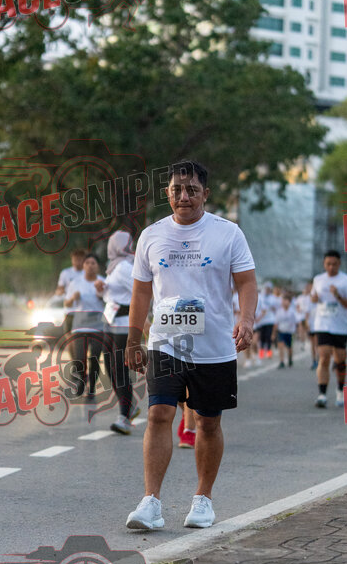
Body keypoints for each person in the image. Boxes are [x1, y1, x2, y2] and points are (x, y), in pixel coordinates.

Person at [125, 160, 257, 530]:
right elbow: (141, 291)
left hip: (214, 346)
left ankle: (203, 499)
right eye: (176, 190)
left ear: (205, 194)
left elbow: (247, 282)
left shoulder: (228, 233)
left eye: (192, 190)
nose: (184, 197)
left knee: (208, 423)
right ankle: (151, 502)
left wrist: (246, 320)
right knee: (158, 414)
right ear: (167, 193)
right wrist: (133, 337)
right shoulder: (151, 235)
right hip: (167, 343)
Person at [94, 230, 139, 434]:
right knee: (110, 367)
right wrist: (102, 289)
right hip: (110, 321)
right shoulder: (114, 266)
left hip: (123, 323)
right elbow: (112, 295)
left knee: (119, 369)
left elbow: (140, 291)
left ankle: (124, 417)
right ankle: (130, 405)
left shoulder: (123, 267)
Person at [311, 250, 347, 408]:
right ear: (324, 264)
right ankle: (322, 394)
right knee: (324, 357)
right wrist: (314, 298)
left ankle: (340, 390)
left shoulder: (346, 281)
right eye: (328, 264)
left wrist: (338, 296)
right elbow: (313, 297)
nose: (331, 267)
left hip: (340, 326)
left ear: (339, 264)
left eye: (334, 264)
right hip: (322, 324)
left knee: (340, 360)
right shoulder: (318, 279)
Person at [64, 253, 105, 400]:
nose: (90, 266)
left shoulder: (103, 282)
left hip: (98, 325)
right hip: (80, 326)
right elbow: (66, 303)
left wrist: (102, 296)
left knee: (94, 358)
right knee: (79, 358)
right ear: (83, 266)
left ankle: (92, 388)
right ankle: (81, 381)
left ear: (97, 266)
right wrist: (72, 298)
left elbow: (112, 302)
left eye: (93, 263)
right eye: (87, 263)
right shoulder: (76, 282)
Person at [55, 248, 86, 335]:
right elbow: (59, 289)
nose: (77, 262)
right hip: (70, 308)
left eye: (79, 259)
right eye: (75, 259)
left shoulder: (87, 272)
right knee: (69, 334)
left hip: (84, 309)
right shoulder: (66, 273)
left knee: (81, 335)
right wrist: (60, 292)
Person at [255, 282, 278, 359]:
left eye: (268, 288)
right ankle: (261, 353)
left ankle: (268, 352)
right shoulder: (261, 297)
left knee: (268, 336)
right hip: (262, 321)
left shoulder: (273, 298)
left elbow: (275, 309)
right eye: (266, 288)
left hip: (270, 320)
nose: (267, 290)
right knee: (262, 337)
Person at [273, 294, 297, 368]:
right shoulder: (279, 311)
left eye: (286, 301)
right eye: (283, 301)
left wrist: (295, 331)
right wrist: (273, 333)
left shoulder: (292, 311)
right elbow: (276, 323)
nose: (284, 302)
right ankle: (282, 361)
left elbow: (295, 322)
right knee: (281, 346)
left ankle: (290, 359)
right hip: (281, 331)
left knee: (289, 347)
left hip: (289, 332)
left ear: (289, 302)